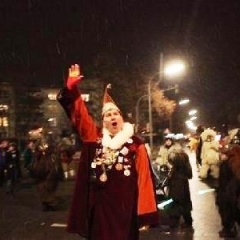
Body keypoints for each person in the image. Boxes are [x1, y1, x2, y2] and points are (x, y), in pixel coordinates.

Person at [57, 64, 159, 240]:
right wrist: (72, 89)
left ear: (121, 118)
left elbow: (144, 180)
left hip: (125, 210)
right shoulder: (93, 137)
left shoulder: (136, 144)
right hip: (100, 210)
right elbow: (80, 115)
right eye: (108, 115)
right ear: (103, 121)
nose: (113, 117)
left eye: (116, 114)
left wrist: (145, 213)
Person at [28, 127, 62, 211]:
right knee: (43, 186)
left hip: (47, 166)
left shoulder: (44, 141)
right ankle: (47, 203)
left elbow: (45, 150)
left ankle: (49, 203)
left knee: (46, 186)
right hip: (43, 167)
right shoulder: (38, 142)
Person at [164, 150, 193, 229]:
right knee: (185, 206)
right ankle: (188, 221)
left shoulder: (177, 174)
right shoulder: (182, 171)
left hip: (177, 193)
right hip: (183, 193)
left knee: (176, 206)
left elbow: (176, 193)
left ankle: (174, 223)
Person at [216, 145, 240, 238]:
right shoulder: (235, 163)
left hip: (227, 192)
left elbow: (223, 181)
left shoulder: (226, 164)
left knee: (227, 211)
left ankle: (229, 230)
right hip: (234, 192)